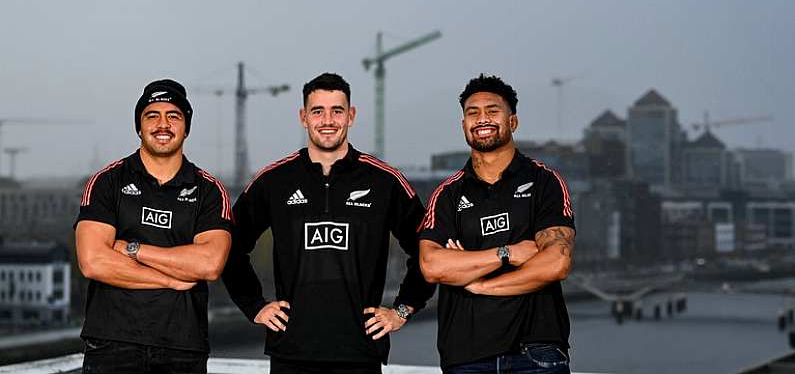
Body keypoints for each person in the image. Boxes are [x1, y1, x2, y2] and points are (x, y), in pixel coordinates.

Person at [222, 72, 435, 374]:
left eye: (337, 111)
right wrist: (254, 305)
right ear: (303, 117)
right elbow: (228, 246)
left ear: (351, 116)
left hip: (360, 353)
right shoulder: (273, 181)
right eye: (317, 111)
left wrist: (402, 309)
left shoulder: (384, 181)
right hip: (291, 353)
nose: (327, 120)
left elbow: (429, 251)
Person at [419, 74, 575, 373]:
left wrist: (477, 283)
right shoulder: (448, 195)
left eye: (492, 111)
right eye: (472, 113)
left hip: (537, 352)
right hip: (465, 355)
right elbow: (432, 266)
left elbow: (556, 264)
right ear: (463, 125)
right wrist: (508, 253)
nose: (482, 119)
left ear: (513, 122)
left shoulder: (545, 183)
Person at [75, 79, 233, 374]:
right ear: (139, 127)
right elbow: (93, 262)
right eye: (152, 116)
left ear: (186, 127)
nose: (163, 124)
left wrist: (131, 249)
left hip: (183, 346)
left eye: (173, 116)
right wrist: (171, 280)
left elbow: (209, 264)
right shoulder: (107, 182)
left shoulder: (210, 191)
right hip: (111, 343)